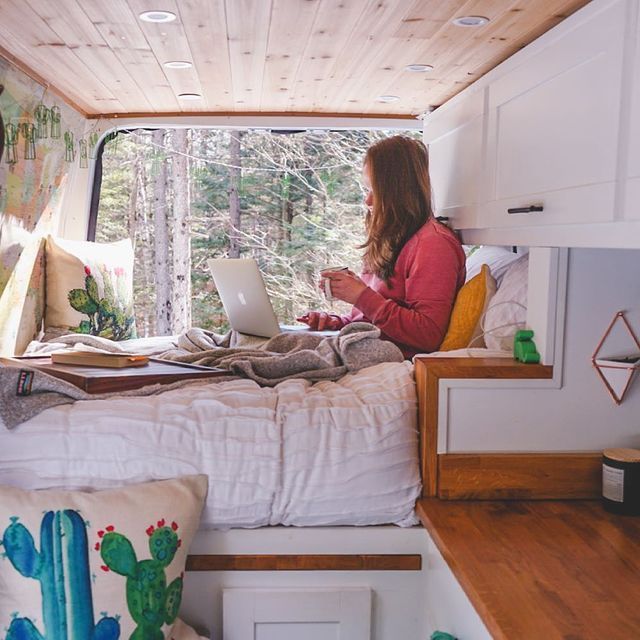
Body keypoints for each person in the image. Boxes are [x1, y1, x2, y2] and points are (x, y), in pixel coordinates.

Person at [297, 135, 466, 359]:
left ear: (398, 191)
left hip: (389, 357)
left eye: (374, 191)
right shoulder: (391, 239)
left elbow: (428, 334)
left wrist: (361, 296)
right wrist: (337, 322)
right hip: (363, 344)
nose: (367, 201)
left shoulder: (433, 244)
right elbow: (372, 319)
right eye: (366, 190)